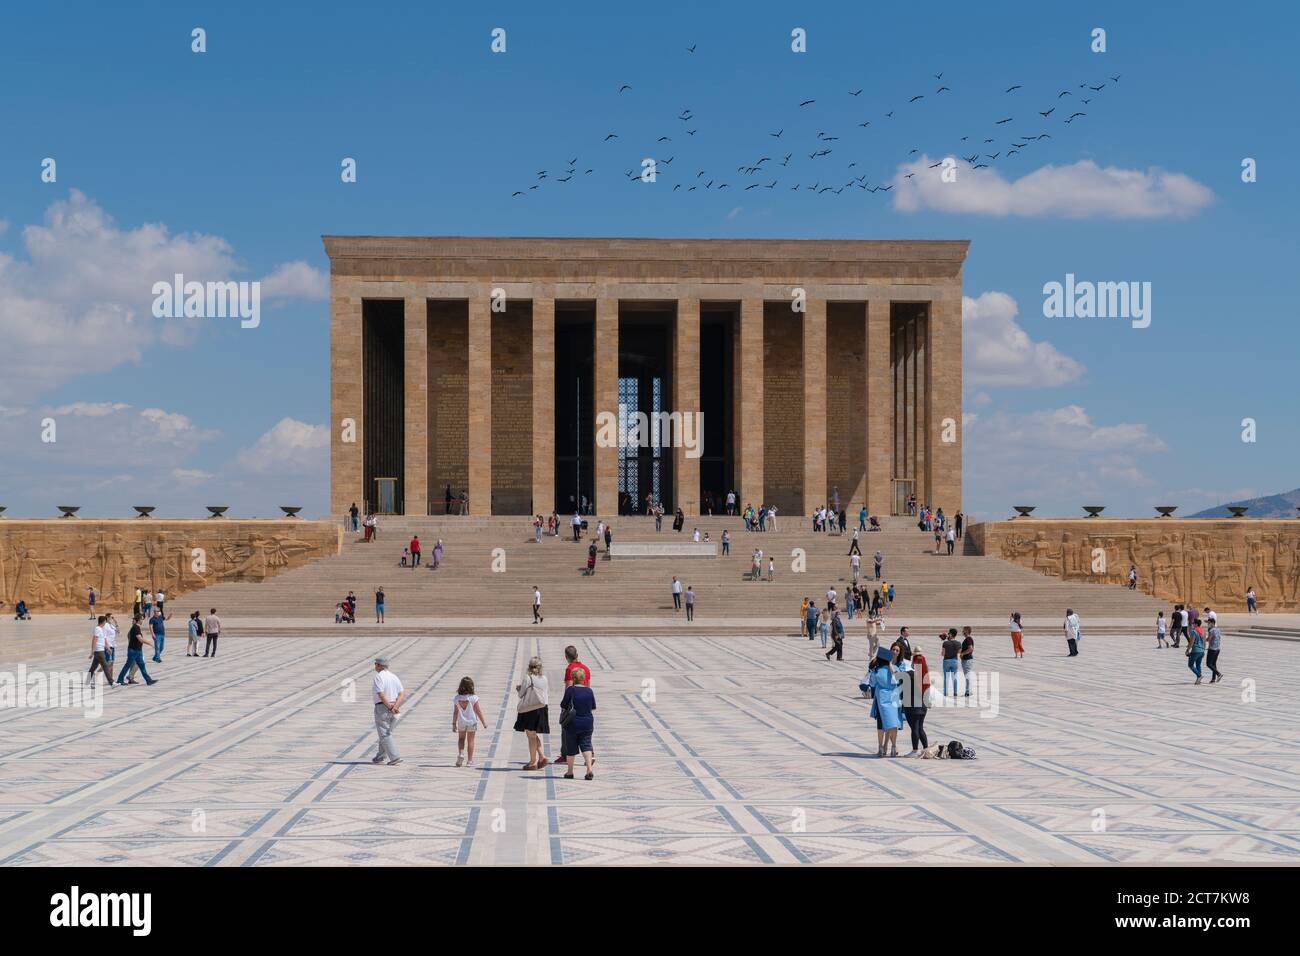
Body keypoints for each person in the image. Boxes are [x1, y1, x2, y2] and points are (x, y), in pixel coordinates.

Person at [559, 669, 597, 780]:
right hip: (587, 722)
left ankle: (570, 772)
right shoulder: (589, 691)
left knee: (571, 747)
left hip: (572, 723)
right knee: (586, 745)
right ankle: (589, 769)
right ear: (583, 678)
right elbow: (593, 707)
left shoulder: (570, 690)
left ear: (573, 678)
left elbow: (563, 704)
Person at [514, 656, 550, 771]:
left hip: (530, 709)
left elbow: (521, 694)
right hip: (542, 708)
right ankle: (542, 757)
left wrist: (519, 689)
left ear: (529, 666)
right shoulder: (544, 678)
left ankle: (532, 762)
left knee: (530, 736)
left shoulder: (528, 677)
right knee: (533, 734)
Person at [869, 648, 904, 757]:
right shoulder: (896, 668)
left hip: (881, 699)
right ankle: (893, 747)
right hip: (894, 698)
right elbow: (899, 680)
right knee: (893, 724)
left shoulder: (877, 671)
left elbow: (872, 683)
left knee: (881, 724)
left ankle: (880, 748)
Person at [371, 656, 404, 765]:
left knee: (384, 733)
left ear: (379, 665)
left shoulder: (379, 677)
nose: (375, 666)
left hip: (383, 707)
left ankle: (395, 757)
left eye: (376, 664)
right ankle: (380, 757)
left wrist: (389, 706)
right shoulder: (394, 676)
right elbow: (401, 693)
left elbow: (380, 694)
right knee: (385, 732)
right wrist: (395, 706)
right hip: (394, 706)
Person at [452, 676, 487, 768]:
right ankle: (470, 761)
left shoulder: (457, 698)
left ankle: (461, 754)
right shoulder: (473, 698)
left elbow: (455, 712)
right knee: (470, 741)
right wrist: (484, 723)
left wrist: (453, 724)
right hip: (472, 722)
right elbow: (478, 711)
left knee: (461, 739)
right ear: (471, 686)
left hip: (461, 722)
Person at [902, 645, 930, 757]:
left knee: (915, 727)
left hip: (913, 705)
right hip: (922, 704)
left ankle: (915, 750)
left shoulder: (911, 671)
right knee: (920, 727)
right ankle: (926, 749)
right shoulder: (922, 664)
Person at [116, 615, 159, 686]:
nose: (142, 620)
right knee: (127, 665)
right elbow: (140, 639)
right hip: (133, 651)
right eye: (142, 619)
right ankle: (120, 680)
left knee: (142, 666)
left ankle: (148, 680)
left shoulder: (137, 627)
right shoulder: (135, 628)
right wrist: (150, 643)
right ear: (138, 620)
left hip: (138, 650)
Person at [87, 615, 115, 687]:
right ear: (104, 621)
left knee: (93, 667)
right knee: (105, 666)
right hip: (99, 650)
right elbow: (94, 640)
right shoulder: (97, 629)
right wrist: (92, 651)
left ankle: (87, 681)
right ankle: (111, 682)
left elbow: (104, 640)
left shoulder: (101, 629)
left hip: (100, 650)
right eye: (105, 621)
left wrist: (108, 648)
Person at [941, 629, 961, 696]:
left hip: (946, 661)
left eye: (949, 633)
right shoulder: (958, 643)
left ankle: (945, 692)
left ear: (951, 634)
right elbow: (959, 652)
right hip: (954, 661)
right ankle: (955, 692)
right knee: (954, 677)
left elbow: (943, 654)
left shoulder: (945, 643)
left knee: (946, 678)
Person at [1186, 618, 1206, 684]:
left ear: (1196, 624)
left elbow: (1191, 642)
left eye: (1193, 623)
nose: (1192, 625)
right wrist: (1203, 649)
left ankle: (1199, 676)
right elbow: (1204, 642)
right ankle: (1198, 680)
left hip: (1196, 651)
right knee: (1198, 665)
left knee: (1190, 665)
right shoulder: (1203, 631)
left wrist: (1187, 650)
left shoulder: (1194, 631)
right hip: (1201, 651)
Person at [959, 626, 975, 697]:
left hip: (967, 660)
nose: (962, 632)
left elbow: (970, 649)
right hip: (966, 659)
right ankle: (969, 690)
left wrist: (963, 653)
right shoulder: (967, 639)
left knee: (967, 676)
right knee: (967, 675)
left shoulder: (968, 639)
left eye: (963, 630)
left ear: (966, 631)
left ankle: (968, 691)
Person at [1206, 619, 1223, 683]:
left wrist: (1205, 640)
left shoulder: (1211, 630)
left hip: (1212, 649)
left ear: (1212, 623)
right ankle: (1213, 678)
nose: (1208, 624)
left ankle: (1218, 674)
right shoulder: (1218, 629)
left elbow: (1209, 639)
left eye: (1209, 623)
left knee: (1208, 664)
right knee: (1213, 664)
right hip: (1218, 649)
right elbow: (1218, 637)